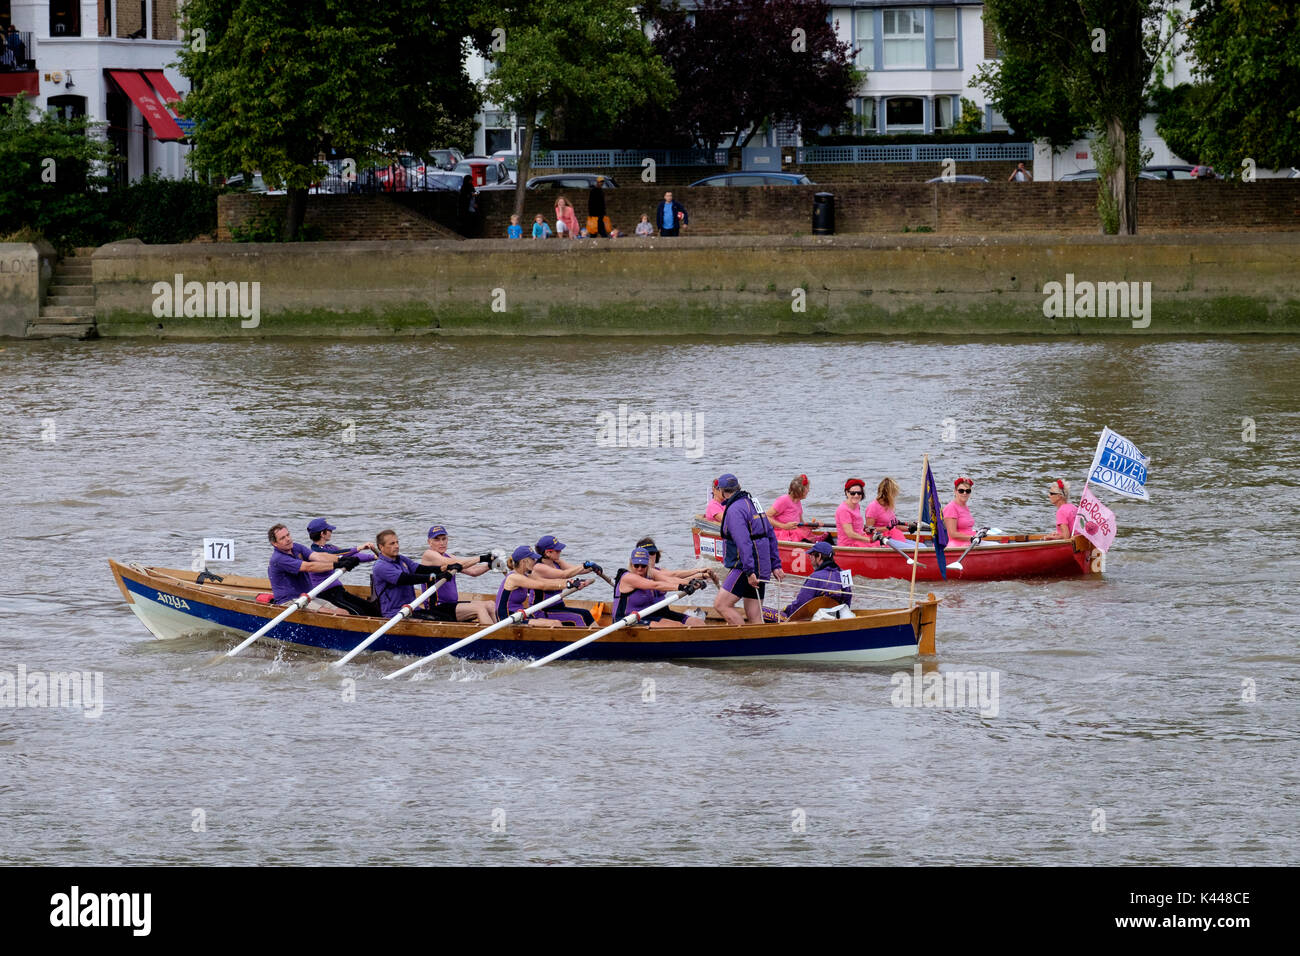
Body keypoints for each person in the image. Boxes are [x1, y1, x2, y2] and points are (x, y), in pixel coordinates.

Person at [712, 473, 783, 625]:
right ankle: (759, 640)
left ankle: (741, 637)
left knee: (721, 605)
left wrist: (749, 572)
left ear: (722, 491)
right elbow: (770, 533)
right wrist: (775, 564)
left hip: (745, 567)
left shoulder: (734, 510)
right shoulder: (753, 503)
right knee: (755, 616)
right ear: (738, 487)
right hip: (762, 565)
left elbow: (743, 542)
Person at [266, 523, 355, 615]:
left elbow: (318, 556)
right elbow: (309, 567)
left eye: (288, 535)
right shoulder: (278, 559)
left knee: (343, 612)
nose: (288, 539)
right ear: (275, 544)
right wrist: (337, 565)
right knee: (331, 614)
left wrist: (340, 559)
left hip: (307, 597)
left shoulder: (296, 547)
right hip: (289, 602)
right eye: (282, 538)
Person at [416, 525, 496, 624]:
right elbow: (455, 563)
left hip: (451, 605)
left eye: (444, 539)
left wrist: (491, 565)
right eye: (437, 540)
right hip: (437, 608)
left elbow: (473, 571)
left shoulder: (449, 556)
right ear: (429, 542)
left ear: (447, 540)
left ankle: (503, 632)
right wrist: (482, 558)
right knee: (479, 608)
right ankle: (493, 633)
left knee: (490, 605)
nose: (441, 543)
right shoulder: (428, 555)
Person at [495, 545, 591, 626]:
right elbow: (543, 585)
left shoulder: (526, 575)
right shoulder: (514, 577)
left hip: (520, 614)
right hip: (507, 618)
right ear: (524, 561)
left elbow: (548, 582)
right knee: (555, 623)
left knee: (557, 622)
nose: (535, 561)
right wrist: (568, 584)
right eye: (532, 559)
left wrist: (573, 582)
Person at [370, 529, 454, 620]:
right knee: (441, 620)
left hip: (412, 609)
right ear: (381, 547)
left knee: (447, 618)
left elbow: (420, 569)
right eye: (392, 543)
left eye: (397, 542)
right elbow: (406, 579)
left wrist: (444, 568)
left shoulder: (400, 559)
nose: (397, 546)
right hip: (395, 613)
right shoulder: (380, 566)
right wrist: (434, 577)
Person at [613, 547, 707, 627]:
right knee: (676, 626)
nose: (640, 569)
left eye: (643, 566)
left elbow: (668, 579)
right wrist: (681, 587)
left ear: (647, 564)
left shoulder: (651, 572)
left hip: (651, 614)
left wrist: (690, 582)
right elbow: (655, 585)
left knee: (697, 622)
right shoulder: (628, 577)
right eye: (636, 565)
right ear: (631, 563)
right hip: (627, 620)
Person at [306, 517, 380, 616]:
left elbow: (351, 556)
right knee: (358, 613)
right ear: (322, 534)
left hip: (338, 590)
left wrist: (374, 557)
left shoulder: (330, 547)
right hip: (325, 594)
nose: (331, 532)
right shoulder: (315, 553)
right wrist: (359, 548)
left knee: (370, 608)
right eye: (329, 530)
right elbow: (335, 555)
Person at [527, 534, 598, 626]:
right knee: (577, 618)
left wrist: (592, 568)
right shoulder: (539, 567)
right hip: (541, 610)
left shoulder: (557, 562)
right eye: (557, 550)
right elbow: (564, 574)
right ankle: (589, 635)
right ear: (548, 553)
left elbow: (577, 570)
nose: (560, 551)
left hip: (558, 606)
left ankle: (603, 634)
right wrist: (584, 565)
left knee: (586, 613)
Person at [781, 541, 851, 619]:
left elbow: (801, 603)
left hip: (816, 619)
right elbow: (848, 600)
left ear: (819, 556)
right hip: (839, 617)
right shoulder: (845, 574)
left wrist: (786, 610)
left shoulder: (815, 577)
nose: (810, 557)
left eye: (811, 554)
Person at [767, 474, 822, 542]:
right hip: (782, 535)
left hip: (795, 533)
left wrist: (812, 526)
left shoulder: (798, 502)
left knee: (802, 533)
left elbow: (801, 523)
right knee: (799, 533)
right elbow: (766, 517)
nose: (809, 490)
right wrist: (783, 526)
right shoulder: (784, 500)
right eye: (807, 488)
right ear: (800, 490)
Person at [865, 478, 911, 542]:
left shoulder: (888, 505)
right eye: (895, 493)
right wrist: (886, 528)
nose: (895, 496)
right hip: (880, 540)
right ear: (890, 494)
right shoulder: (873, 507)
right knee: (917, 547)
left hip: (892, 536)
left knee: (921, 545)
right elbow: (868, 530)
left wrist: (911, 528)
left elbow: (896, 526)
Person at [834, 478, 876, 548]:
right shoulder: (843, 510)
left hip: (860, 540)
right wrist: (870, 540)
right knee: (878, 544)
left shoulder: (857, 505)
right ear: (847, 493)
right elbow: (850, 534)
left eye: (859, 493)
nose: (856, 495)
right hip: (848, 545)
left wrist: (870, 530)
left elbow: (858, 528)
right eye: (853, 493)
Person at [943, 477, 977, 543]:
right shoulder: (951, 508)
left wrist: (978, 532)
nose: (964, 493)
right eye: (961, 491)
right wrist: (971, 538)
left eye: (968, 491)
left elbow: (966, 528)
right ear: (955, 492)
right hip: (955, 543)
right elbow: (952, 534)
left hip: (969, 540)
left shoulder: (965, 507)